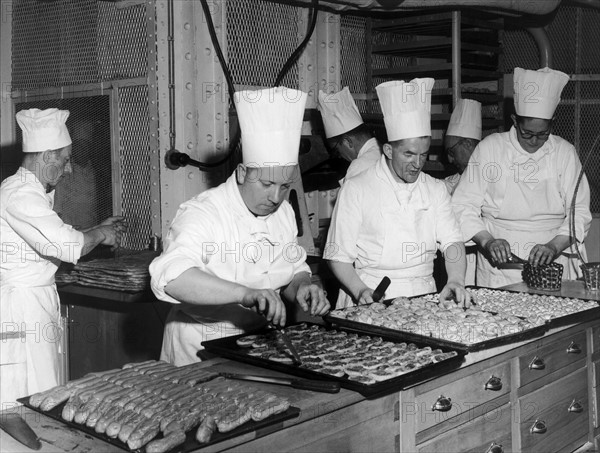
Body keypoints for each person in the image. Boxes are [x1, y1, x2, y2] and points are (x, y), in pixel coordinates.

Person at [149, 87, 330, 366]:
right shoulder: (204, 212)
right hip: (200, 344)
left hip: (262, 342)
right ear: (244, 172)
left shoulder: (281, 211)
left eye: (284, 186)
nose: (276, 197)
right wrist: (244, 294)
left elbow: (292, 267)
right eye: (267, 184)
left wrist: (303, 285)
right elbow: (172, 278)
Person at [1, 108, 126, 406]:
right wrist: (100, 236)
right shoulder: (20, 194)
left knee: (43, 390)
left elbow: (53, 236)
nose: (69, 169)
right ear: (46, 156)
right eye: (65, 159)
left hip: (35, 302)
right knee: (27, 397)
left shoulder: (33, 192)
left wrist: (94, 228)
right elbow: (68, 245)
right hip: (22, 308)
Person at [325, 78, 471, 308]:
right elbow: (338, 256)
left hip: (423, 295)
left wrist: (456, 279)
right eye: (409, 154)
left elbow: (453, 241)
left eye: (423, 155)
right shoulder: (357, 188)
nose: (418, 163)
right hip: (370, 294)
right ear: (388, 150)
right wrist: (360, 290)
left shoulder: (434, 189)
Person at [452, 67, 592, 288]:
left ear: (552, 122)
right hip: (500, 266)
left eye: (542, 134)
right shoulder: (491, 149)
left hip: (555, 261)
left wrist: (554, 247)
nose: (534, 141)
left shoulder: (564, 152)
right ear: (514, 121)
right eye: (527, 133)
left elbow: (580, 212)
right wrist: (488, 241)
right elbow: (463, 205)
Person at [318, 87, 382, 184]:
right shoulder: (385, 151)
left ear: (347, 142)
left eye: (337, 151)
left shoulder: (359, 167)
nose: (341, 157)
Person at [443, 98, 482, 195]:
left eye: (451, 152)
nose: (450, 160)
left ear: (467, 144)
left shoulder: (492, 175)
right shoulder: (455, 180)